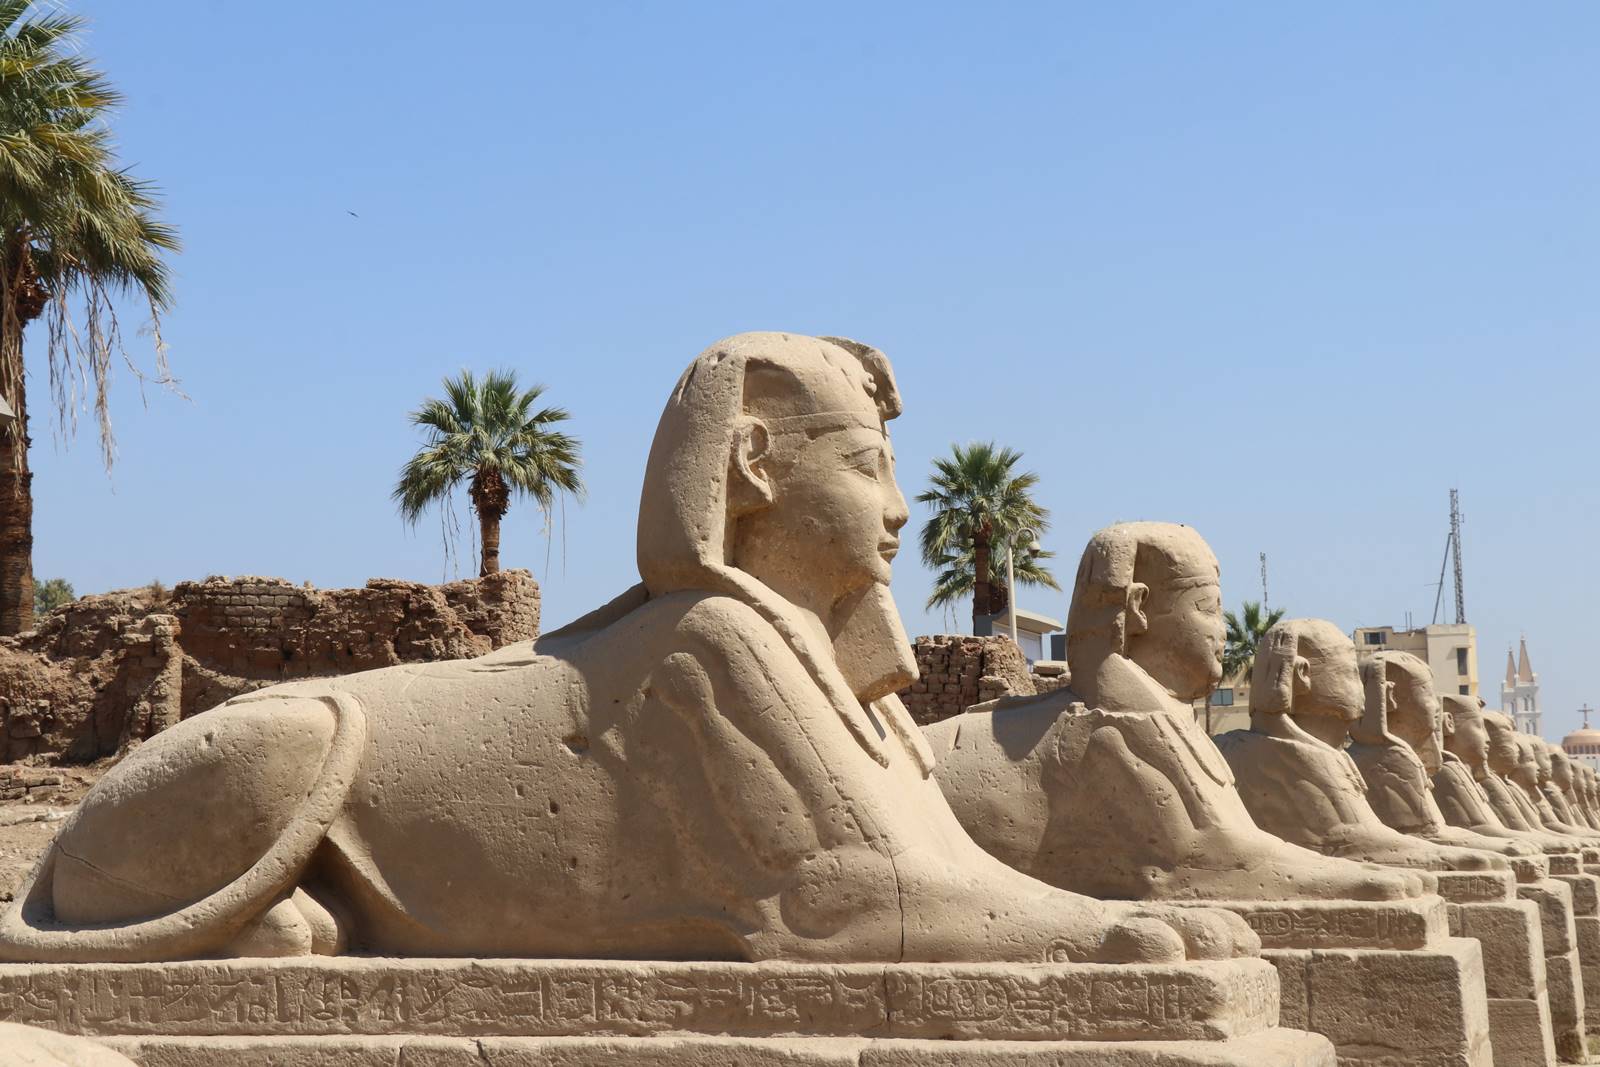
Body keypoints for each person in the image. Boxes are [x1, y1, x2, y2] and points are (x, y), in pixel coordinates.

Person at [0, 332, 1251, 966]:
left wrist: (1073, 918)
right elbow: (843, 906)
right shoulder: (710, 643)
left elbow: (936, 866)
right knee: (297, 738)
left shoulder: (817, 669)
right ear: (754, 464)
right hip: (268, 792)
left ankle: (284, 904)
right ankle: (205, 902)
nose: (897, 507)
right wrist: (1090, 936)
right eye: (866, 465)